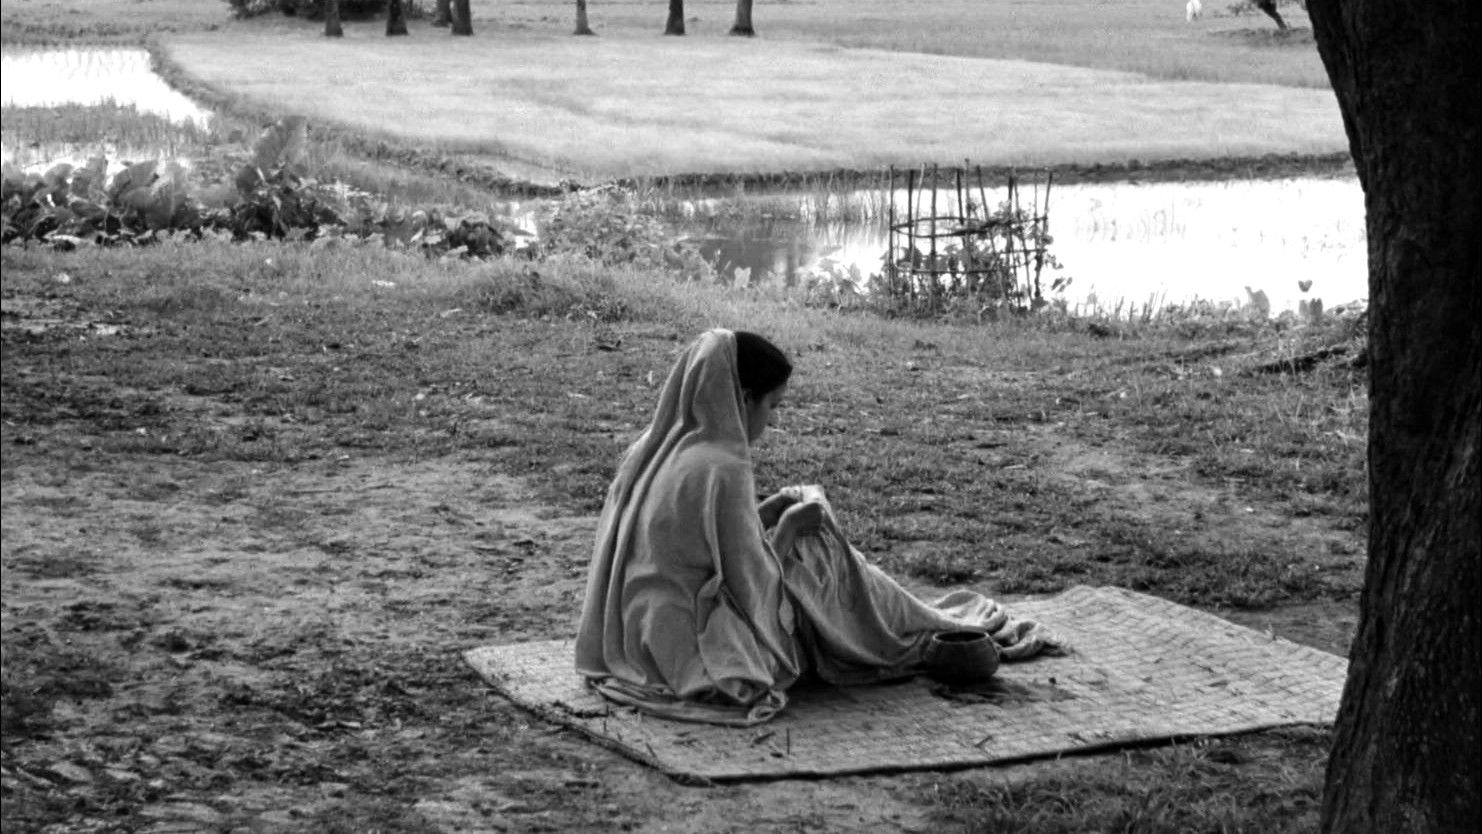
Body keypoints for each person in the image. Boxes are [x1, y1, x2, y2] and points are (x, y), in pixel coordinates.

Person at [575, 329, 1059, 725]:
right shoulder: (723, 466)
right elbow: (753, 587)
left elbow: (697, 546)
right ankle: (905, 631)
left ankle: (909, 621)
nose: (771, 419)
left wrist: (766, 513)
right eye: (773, 406)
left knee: (807, 546)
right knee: (816, 555)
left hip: (637, 630)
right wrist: (789, 527)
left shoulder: (655, 449)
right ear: (743, 398)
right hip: (689, 645)